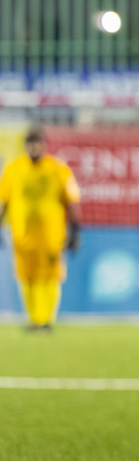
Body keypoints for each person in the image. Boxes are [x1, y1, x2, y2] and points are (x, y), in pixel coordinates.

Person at [0, 128, 82, 332]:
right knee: (25, 276)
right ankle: (33, 318)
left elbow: (71, 201)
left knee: (50, 276)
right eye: (30, 143)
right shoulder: (14, 168)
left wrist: (75, 231)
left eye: (37, 143)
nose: (34, 147)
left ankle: (46, 319)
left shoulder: (57, 168)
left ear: (45, 146)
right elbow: (4, 200)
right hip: (21, 235)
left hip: (51, 235)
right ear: (25, 146)